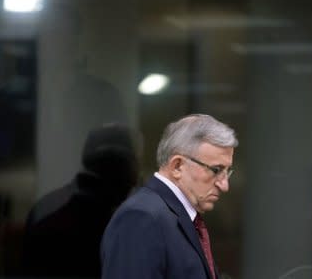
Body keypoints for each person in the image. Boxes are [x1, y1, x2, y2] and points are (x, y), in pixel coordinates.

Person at [101, 114, 238, 279]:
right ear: (177, 166)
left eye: (227, 172)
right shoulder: (141, 217)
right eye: (216, 170)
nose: (224, 185)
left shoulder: (180, 218)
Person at [22, 123, 139, 278]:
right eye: (132, 168)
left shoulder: (45, 209)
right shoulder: (116, 224)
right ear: (120, 170)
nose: (135, 181)